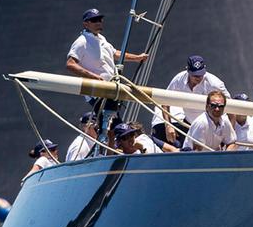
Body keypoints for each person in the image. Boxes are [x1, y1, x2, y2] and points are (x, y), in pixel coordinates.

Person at [66, 9, 149, 140]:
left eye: (100, 20)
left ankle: (111, 149)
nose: (98, 22)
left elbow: (115, 53)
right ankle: (109, 150)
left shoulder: (101, 39)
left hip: (111, 89)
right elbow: (70, 64)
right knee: (112, 124)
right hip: (98, 92)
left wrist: (137, 58)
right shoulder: (82, 42)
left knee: (112, 123)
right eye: (94, 20)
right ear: (86, 23)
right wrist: (94, 77)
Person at [153, 55, 230, 146]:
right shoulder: (179, 80)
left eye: (201, 74)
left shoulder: (214, 84)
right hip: (189, 124)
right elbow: (165, 101)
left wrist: (226, 135)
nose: (198, 77)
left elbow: (232, 108)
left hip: (212, 127)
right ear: (188, 70)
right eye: (195, 75)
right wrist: (168, 125)